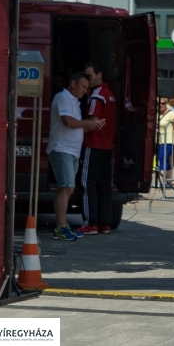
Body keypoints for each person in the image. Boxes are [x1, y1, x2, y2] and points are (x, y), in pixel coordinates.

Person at [46, 72, 104, 241]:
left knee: (64, 188)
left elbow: (77, 126)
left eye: (87, 88)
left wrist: (93, 126)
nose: (85, 91)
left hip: (71, 151)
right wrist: (88, 123)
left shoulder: (75, 103)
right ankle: (61, 227)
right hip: (62, 149)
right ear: (73, 84)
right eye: (83, 86)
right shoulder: (63, 97)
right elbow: (68, 122)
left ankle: (62, 226)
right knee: (67, 187)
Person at [77, 63, 117, 236]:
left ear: (99, 75)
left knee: (87, 184)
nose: (87, 80)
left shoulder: (96, 96)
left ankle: (90, 223)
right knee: (103, 186)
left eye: (89, 76)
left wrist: (75, 129)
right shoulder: (110, 94)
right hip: (106, 146)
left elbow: (92, 122)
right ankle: (104, 223)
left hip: (93, 144)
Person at [156, 97, 174, 188]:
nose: (160, 105)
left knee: (162, 160)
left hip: (168, 141)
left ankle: (161, 181)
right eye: (158, 103)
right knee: (164, 160)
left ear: (166, 103)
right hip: (159, 141)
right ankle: (169, 180)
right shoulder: (157, 114)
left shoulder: (172, 114)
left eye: (162, 103)